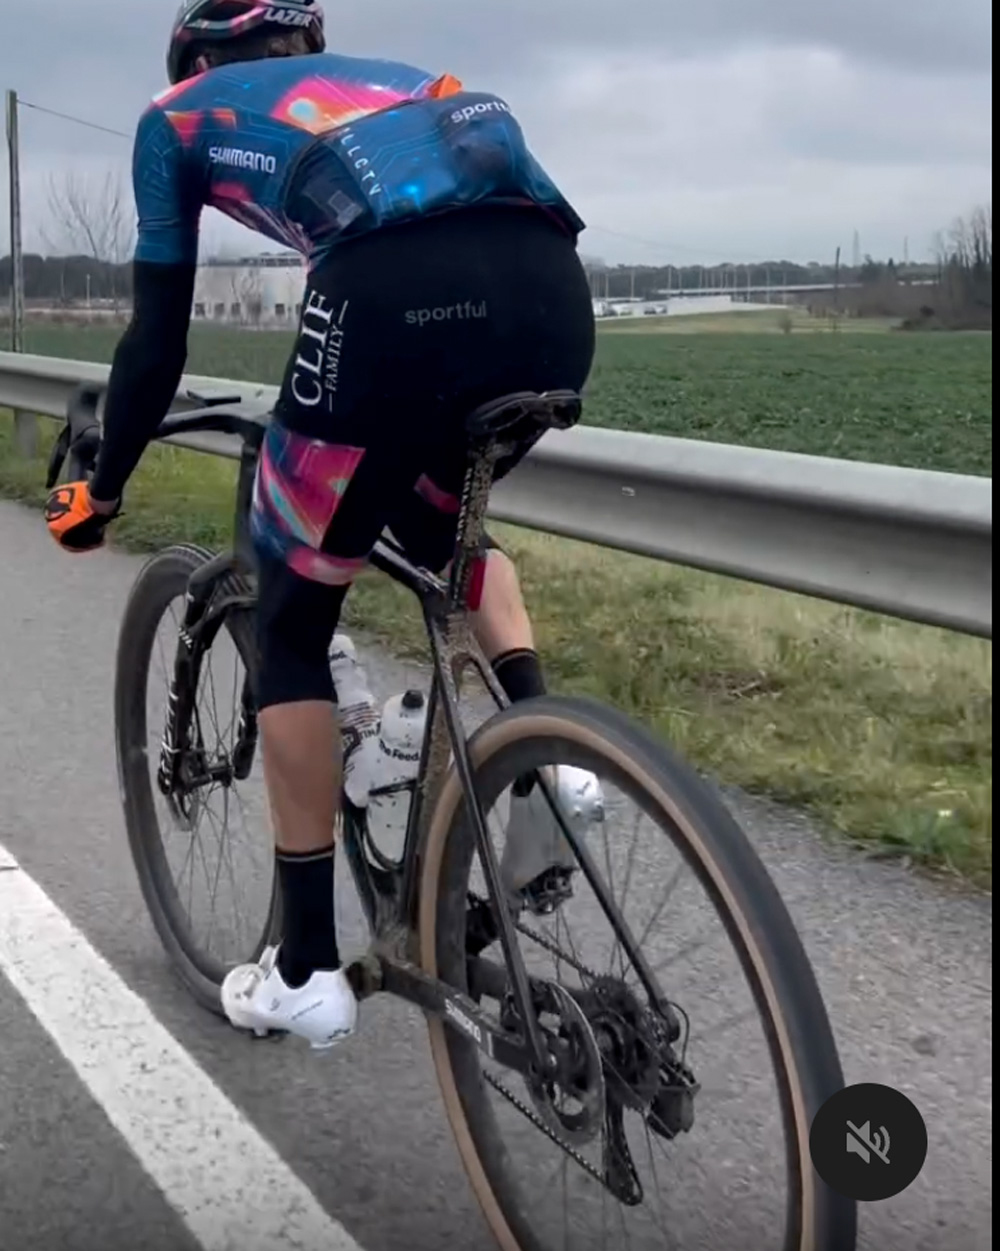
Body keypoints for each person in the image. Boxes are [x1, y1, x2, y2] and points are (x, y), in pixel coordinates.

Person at [44, 0, 601, 1050]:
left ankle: (302, 969)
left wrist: (101, 490)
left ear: (195, 55)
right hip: (552, 290)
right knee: (442, 536)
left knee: (294, 612)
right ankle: (548, 762)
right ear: (303, 44)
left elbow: (155, 344)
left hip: (390, 296)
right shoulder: (394, 80)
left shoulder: (176, 117)